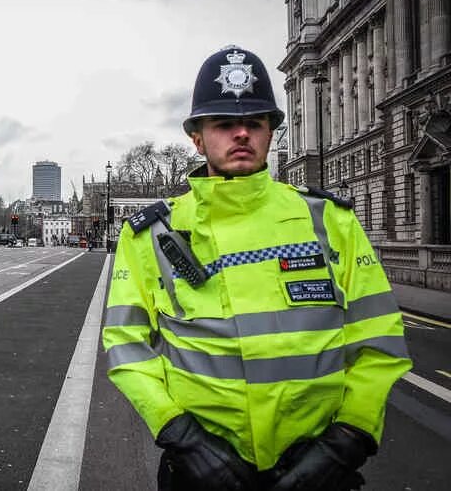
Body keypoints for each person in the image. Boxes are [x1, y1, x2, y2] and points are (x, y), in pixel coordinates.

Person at [101, 45, 412, 491]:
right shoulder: (149, 234)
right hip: (198, 470)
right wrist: (182, 438)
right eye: (224, 124)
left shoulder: (329, 220)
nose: (241, 134)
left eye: (255, 123)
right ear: (196, 136)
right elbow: (126, 345)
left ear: (271, 132)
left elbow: (378, 339)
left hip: (323, 466)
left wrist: (348, 440)